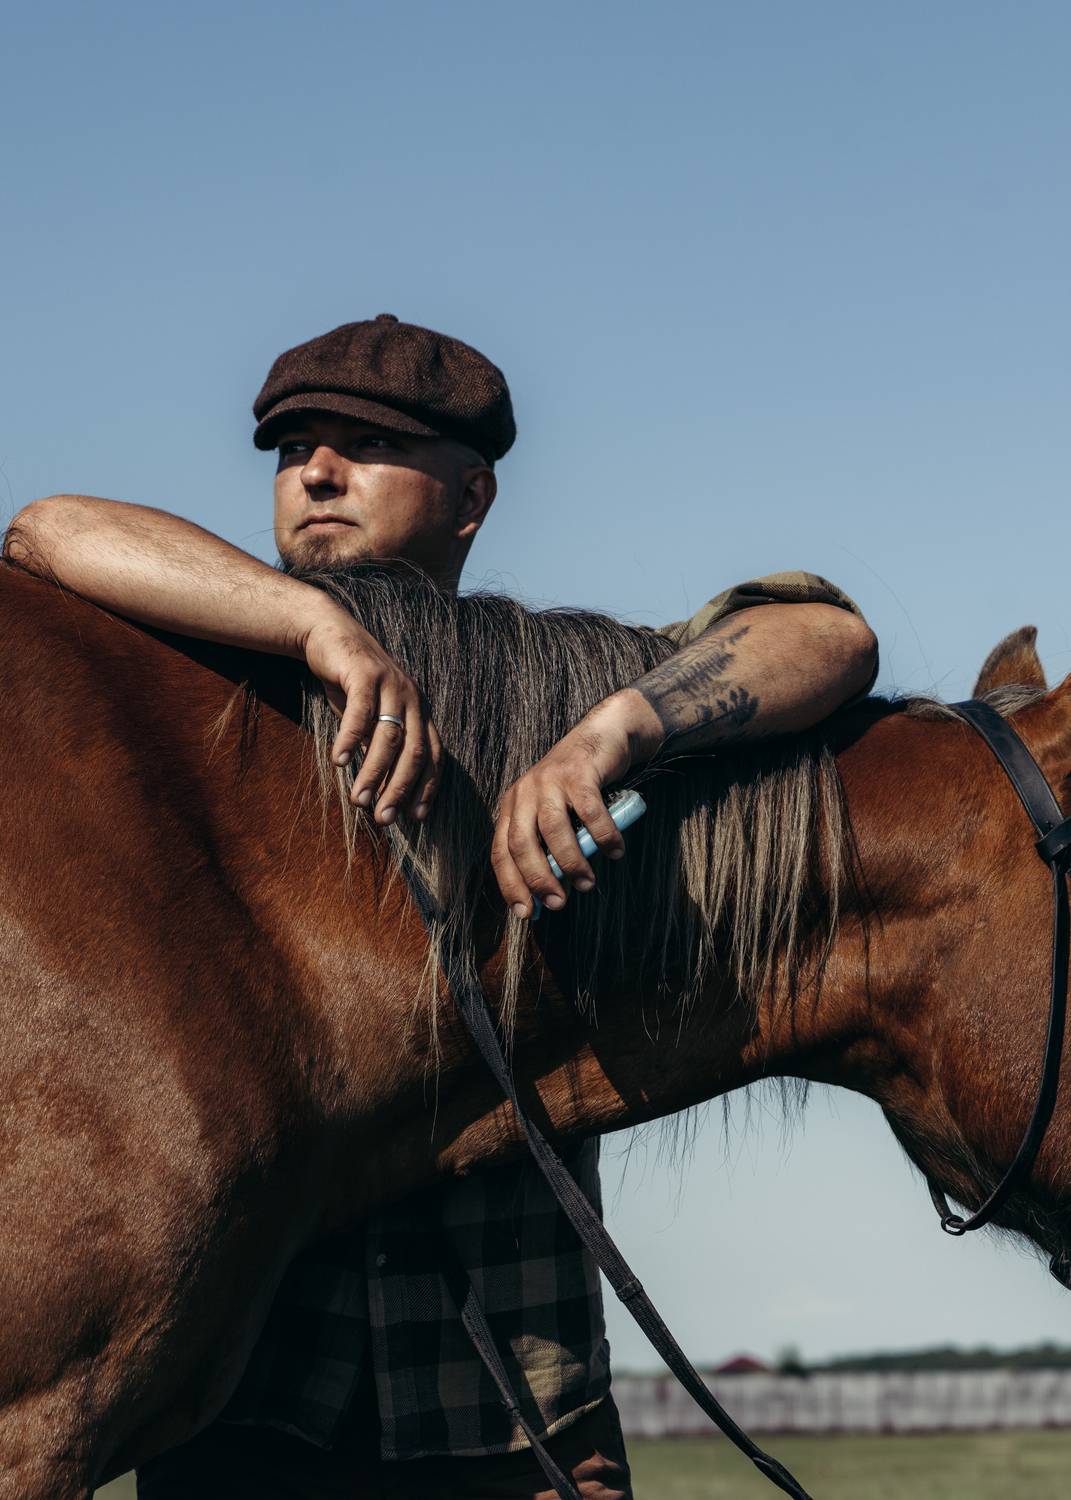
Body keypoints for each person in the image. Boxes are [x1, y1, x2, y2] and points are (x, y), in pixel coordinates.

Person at [6, 314, 877, 1500]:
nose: (317, 473)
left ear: (472, 497)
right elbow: (47, 529)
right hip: (251, 1400)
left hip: (517, 1405)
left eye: (367, 444)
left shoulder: (555, 690)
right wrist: (316, 626)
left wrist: (617, 733)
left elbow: (827, 632)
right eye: (294, 448)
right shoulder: (226, 679)